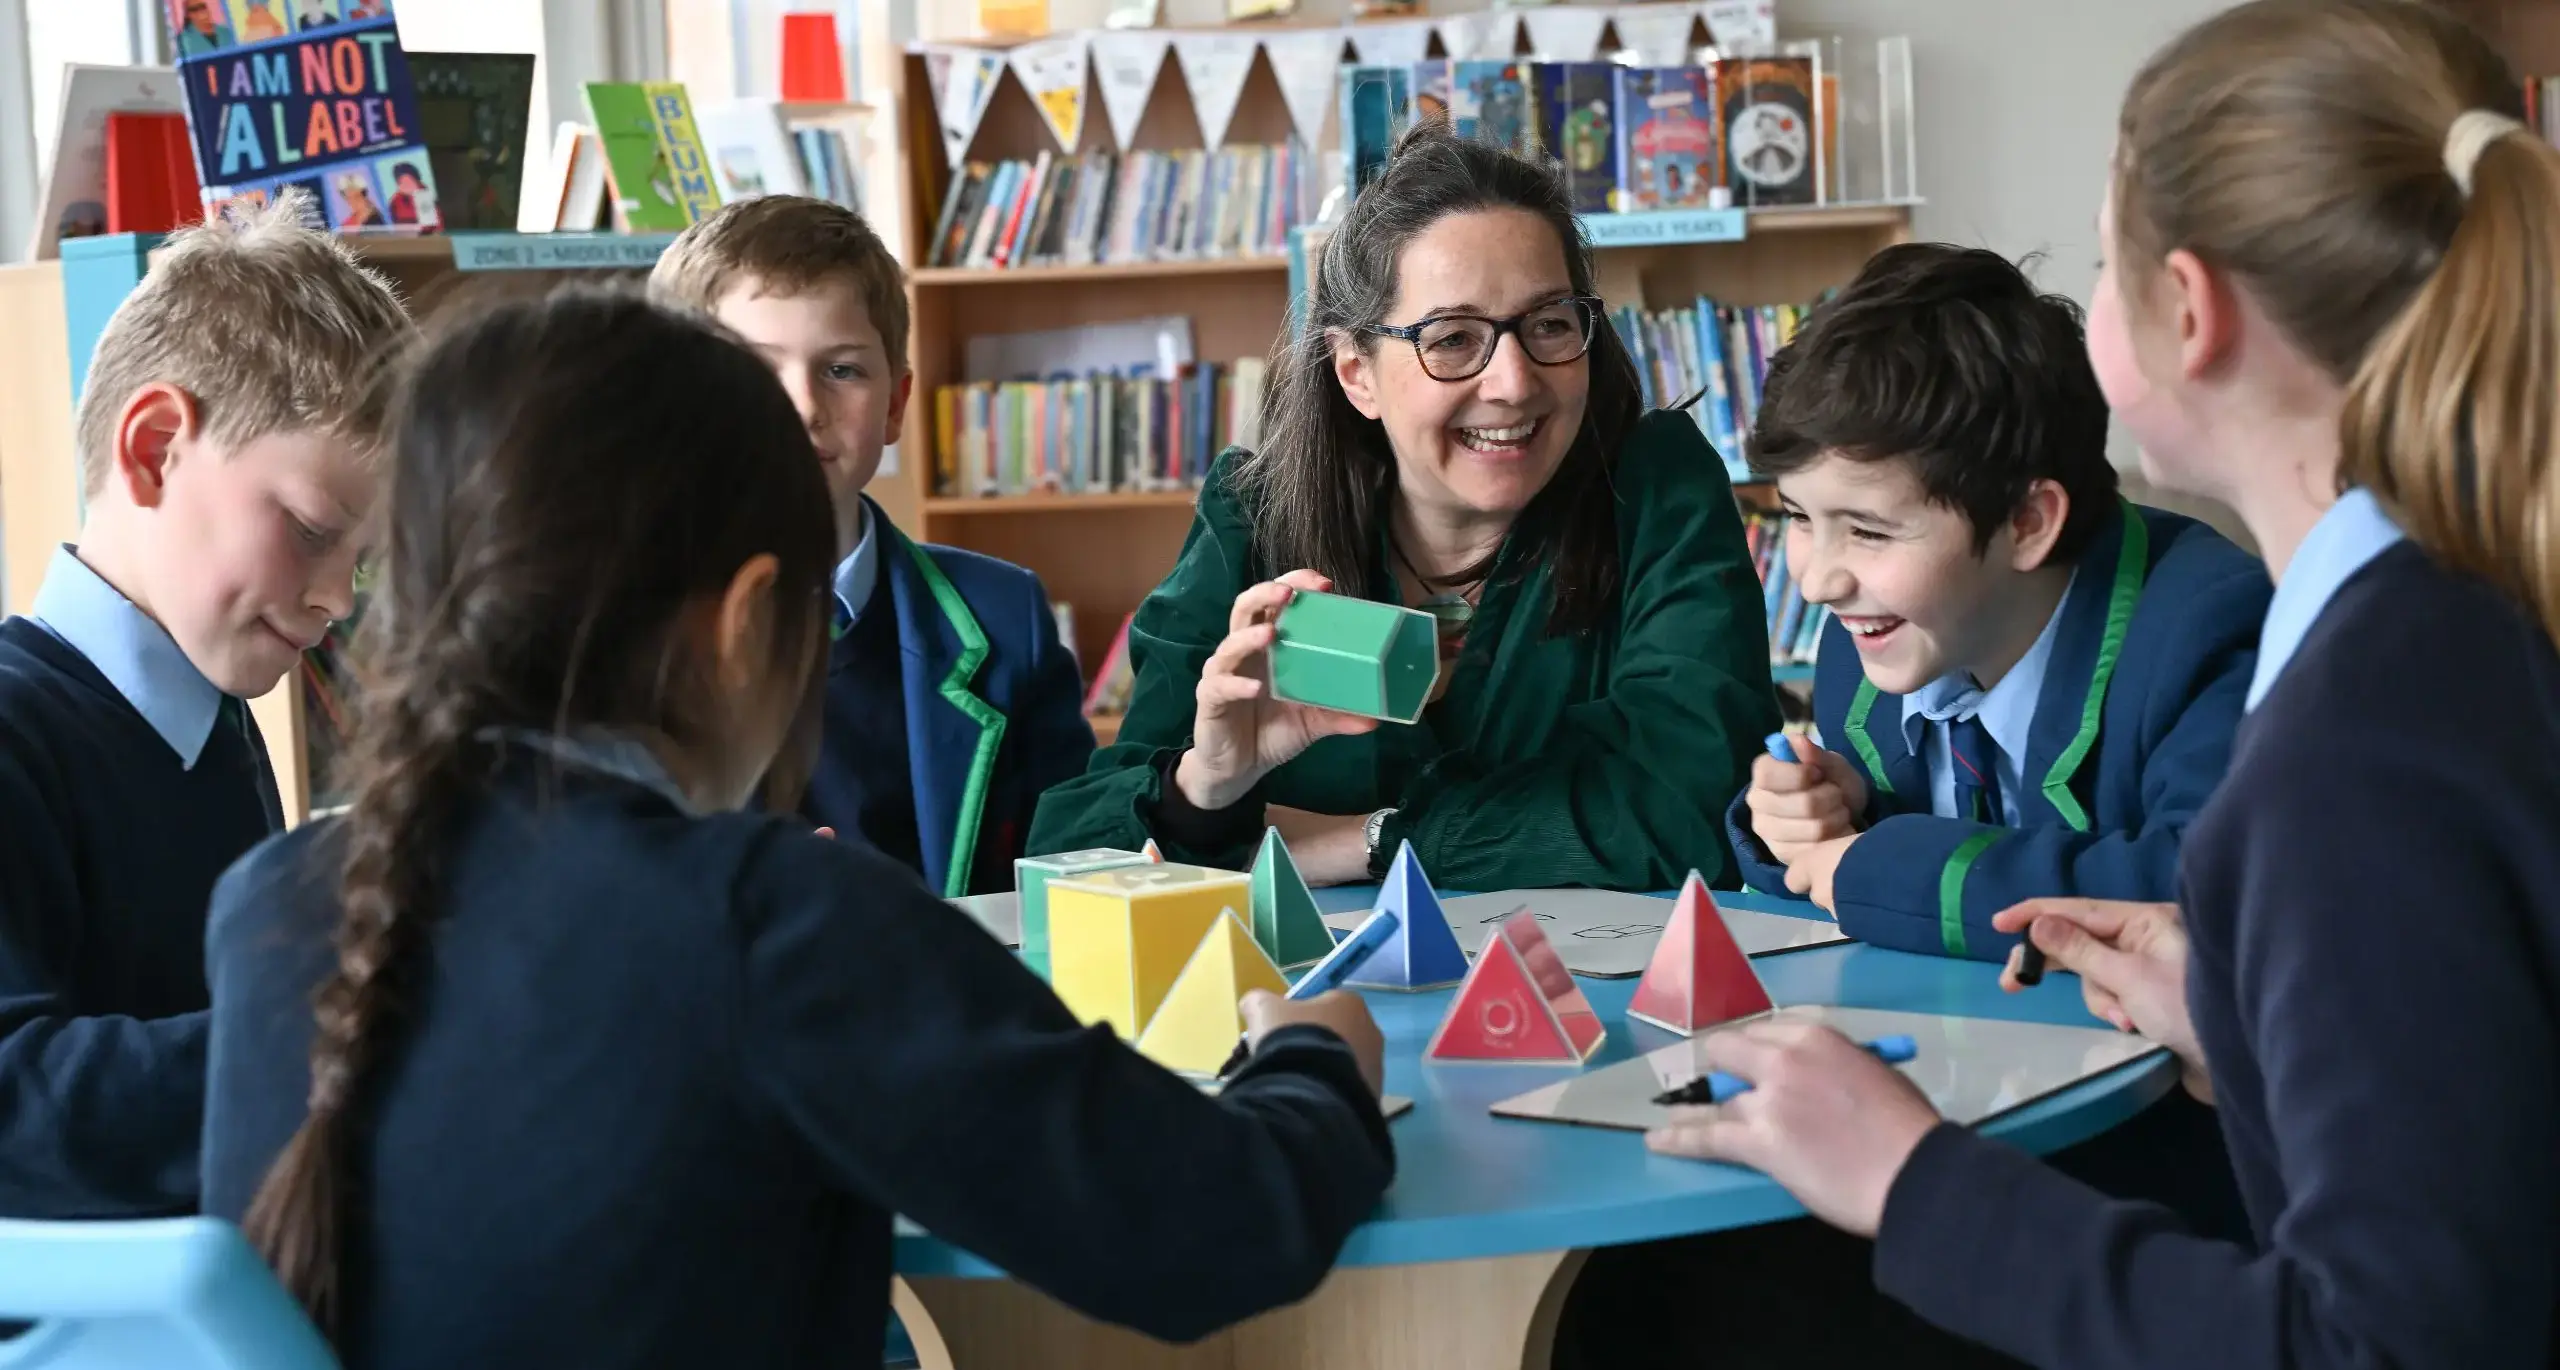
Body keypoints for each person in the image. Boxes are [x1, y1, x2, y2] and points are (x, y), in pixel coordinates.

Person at [198, 289, 1395, 1369]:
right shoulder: (771, 918)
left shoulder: (271, 898)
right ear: (745, 625)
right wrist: (1317, 1056)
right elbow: (1213, 1229)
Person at [1649, 2, 2560, 1365]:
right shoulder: (2449, 621)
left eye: (2109, 258)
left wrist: (1913, 1181)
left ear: (2185, 313)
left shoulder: (2356, 739)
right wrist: (2236, 1021)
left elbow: (2394, 1339)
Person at [1030, 125, 1779, 891]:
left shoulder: (1657, 486)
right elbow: (1074, 846)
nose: (1515, 382)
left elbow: (1699, 812)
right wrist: (1206, 786)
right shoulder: (1253, 516)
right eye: (1452, 338)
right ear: (1356, 373)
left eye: (1550, 324)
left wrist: (1375, 840)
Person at [0, 193, 408, 1217]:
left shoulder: (213, 724)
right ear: (152, 450)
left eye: (362, 561)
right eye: (314, 529)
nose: (337, 598)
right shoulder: (18, 736)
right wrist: (352, 1035)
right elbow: (13, 1097)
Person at [1725, 243, 2267, 963]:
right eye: (1797, 517)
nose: (1819, 581)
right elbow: (1857, 871)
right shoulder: (1870, 641)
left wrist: (1880, 868)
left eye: (1867, 529)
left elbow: (2207, 888)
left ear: (2027, 523)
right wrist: (1814, 820)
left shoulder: (2210, 629)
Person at [650, 196, 1093, 896]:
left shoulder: (1008, 619)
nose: (802, 406)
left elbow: (1080, 862)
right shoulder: (618, 636)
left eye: (841, 370)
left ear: (894, 405)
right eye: (757, 367)